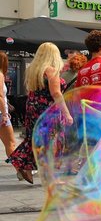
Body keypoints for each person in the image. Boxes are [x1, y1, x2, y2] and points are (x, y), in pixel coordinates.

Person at [10, 43, 73, 184]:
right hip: (48, 109)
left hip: (33, 106)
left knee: (35, 138)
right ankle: (50, 177)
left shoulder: (34, 69)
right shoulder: (51, 70)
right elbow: (56, 93)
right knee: (52, 142)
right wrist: (67, 114)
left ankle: (23, 165)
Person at [0, 52, 16, 159]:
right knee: (11, 144)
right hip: (0, 114)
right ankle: (21, 170)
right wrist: (5, 114)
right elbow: (0, 96)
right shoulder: (0, 75)